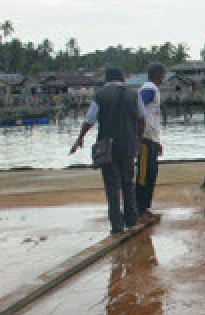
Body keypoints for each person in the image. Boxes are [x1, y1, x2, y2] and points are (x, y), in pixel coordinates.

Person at [71, 67, 146, 234]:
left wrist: (80, 138)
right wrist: (138, 140)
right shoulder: (134, 95)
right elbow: (142, 119)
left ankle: (117, 226)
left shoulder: (100, 95)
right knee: (128, 183)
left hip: (108, 147)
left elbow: (89, 119)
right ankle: (132, 221)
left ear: (106, 79)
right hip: (128, 145)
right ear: (122, 79)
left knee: (112, 186)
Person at [136, 63, 165, 223]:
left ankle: (144, 208)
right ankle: (140, 211)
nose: (163, 79)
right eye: (163, 75)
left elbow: (151, 117)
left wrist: (157, 140)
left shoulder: (151, 89)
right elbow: (137, 106)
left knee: (151, 174)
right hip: (145, 140)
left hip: (151, 139)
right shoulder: (150, 88)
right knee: (144, 175)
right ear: (159, 75)